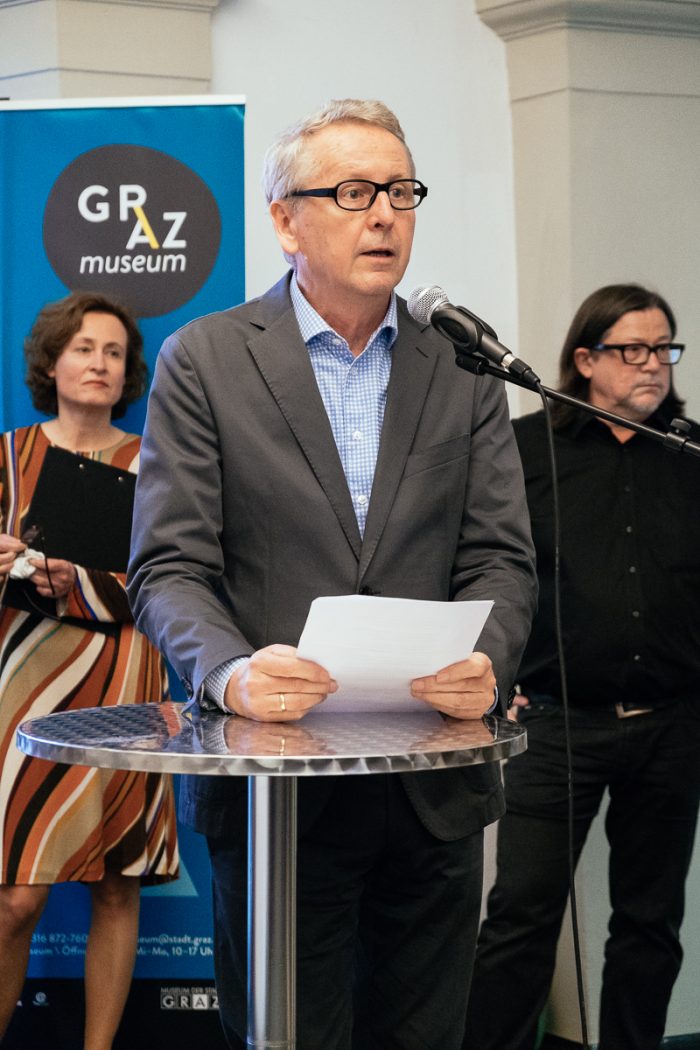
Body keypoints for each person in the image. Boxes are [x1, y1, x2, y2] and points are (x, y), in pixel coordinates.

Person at [127, 98, 537, 1050]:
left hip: (432, 787)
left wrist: (489, 657)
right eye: (353, 192)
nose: (384, 214)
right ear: (284, 221)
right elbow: (168, 566)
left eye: (400, 191)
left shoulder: (463, 365)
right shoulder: (208, 360)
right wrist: (231, 674)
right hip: (277, 797)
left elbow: (502, 559)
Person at [463, 283, 700, 1050]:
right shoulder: (525, 451)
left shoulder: (691, 453)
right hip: (556, 723)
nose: (653, 364)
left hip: (672, 726)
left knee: (650, 922)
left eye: (664, 347)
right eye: (633, 349)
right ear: (585, 359)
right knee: (521, 917)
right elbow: (481, 568)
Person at [0, 291, 179, 1050]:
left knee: (117, 881)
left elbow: (175, 581)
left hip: (126, 682)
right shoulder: (6, 455)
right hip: (25, 689)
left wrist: (72, 579)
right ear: (52, 361)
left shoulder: (159, 464)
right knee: (14, 900)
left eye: (112, 351)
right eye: (82, 348)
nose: (99, 363)